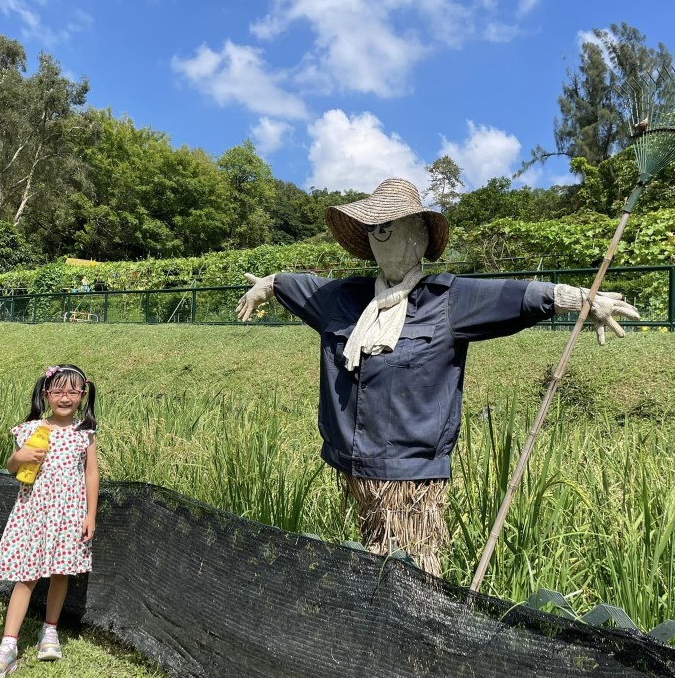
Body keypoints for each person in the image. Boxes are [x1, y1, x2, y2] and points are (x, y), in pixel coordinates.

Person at [237, 178, 639, 577]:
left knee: (411, 567)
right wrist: (267, 287)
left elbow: (514, 295)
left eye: (390, 228)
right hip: (354, 468)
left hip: (412, 478)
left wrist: (583, 299)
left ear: (420, 237)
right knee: (366, 561)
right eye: (374, 231)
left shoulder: (447, 300)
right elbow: (294, 285)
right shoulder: (345, 298)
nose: (383, 239)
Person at [0, 363, 100, 678]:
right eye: (58, 390)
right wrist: (19, 459)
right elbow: (11, 466)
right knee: (26, 576)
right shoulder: (31, 429)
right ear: (46, 393)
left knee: (61, 573)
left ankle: (50, 631)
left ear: (82, 395)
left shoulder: (85, 434)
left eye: (73, 390)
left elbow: (91, 473)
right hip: (33, 512)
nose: (65, 396)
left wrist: (90, 515)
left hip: (69, 514)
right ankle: (8, 645)